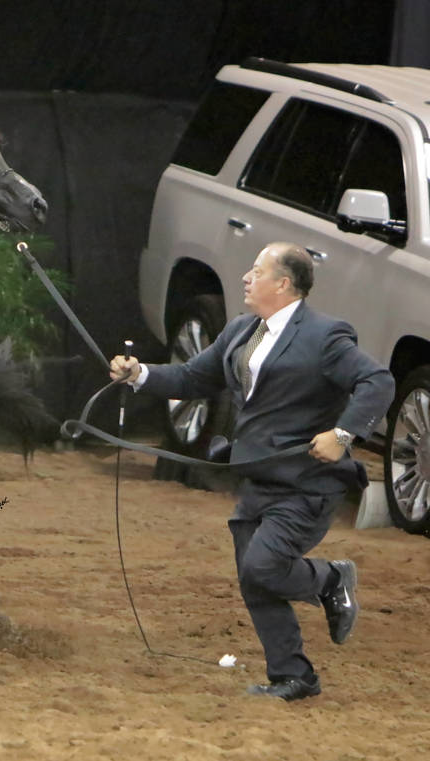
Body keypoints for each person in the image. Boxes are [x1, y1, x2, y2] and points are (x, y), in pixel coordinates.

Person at [110, 241, 395, 701]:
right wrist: (140, 374)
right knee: (253, 576)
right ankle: (294, 677)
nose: (247, 277)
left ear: (283, 284)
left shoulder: (325, 335)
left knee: (264, 565)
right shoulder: (243, 330)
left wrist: (343, 435)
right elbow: (193, 378)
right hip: (258, 478)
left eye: (257, 271)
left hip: (307, 483)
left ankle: (330, 579)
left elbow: (378, 381)